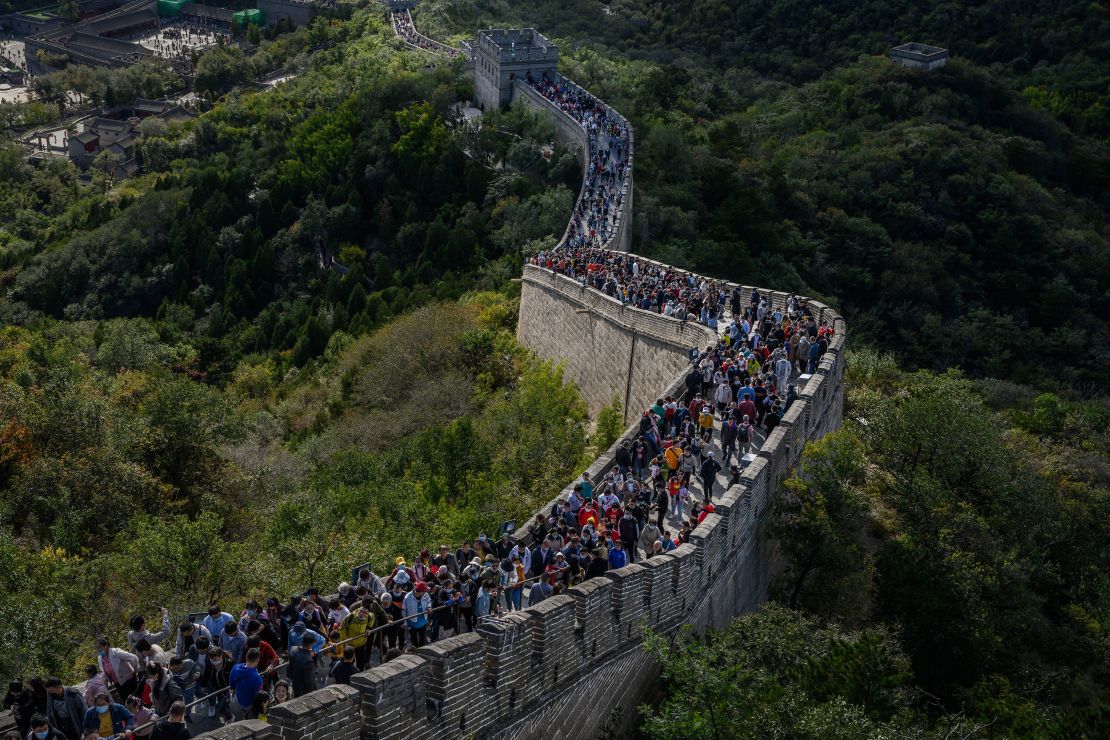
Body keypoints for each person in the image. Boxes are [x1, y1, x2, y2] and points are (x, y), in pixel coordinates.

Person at [228, 648, 262, 722]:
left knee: (238, 719)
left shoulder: (235, 667)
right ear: (258, 660)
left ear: (246, 657)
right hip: (249, 704)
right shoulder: (257, 678)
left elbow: (231, 684)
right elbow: (258, 696)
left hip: (237, 701)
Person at [402, 582, 432, 647]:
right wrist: (405, 622)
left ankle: (422, 652)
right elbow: (404, 610)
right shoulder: (407, 597)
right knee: (414, 640)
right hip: (412, 623)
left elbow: (429, 601)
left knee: (422, 639)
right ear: (420, 591)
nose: (425, 592)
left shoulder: (425, 594)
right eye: (424, 591)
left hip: (423, 621)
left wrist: (429, 607)